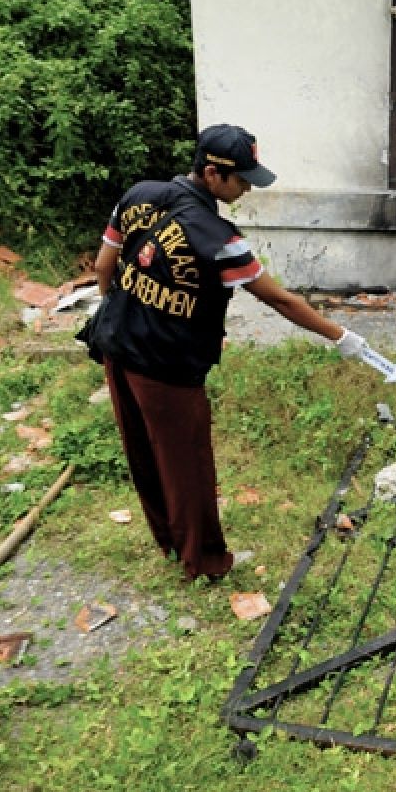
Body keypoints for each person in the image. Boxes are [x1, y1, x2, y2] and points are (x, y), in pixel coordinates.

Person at [83, 124, 370, 581]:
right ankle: (205, 562)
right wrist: (341, 336)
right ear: (213, 174)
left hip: (116, 346)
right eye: (241, 180)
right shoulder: (219, 238)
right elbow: (280, 300)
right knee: (189, 464)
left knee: (144, 453)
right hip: (167, 366)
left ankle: (170, 544)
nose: (246, 189)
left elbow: (104, 265)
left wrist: (118, 314)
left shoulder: (137, 195)